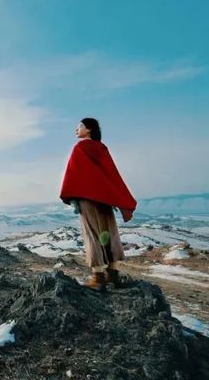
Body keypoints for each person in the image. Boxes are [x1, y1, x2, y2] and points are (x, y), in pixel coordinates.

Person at [59, 118, 137, 292]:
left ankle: (98, 278)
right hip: (105, 200)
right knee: (108, 233)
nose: (76, 129)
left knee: (92, 235)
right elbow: (110, 175)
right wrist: (114, 196)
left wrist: (73, 199)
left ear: (89, 129)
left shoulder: (80, 148)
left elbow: (74, 174)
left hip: (87, 199)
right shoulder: (102, 148)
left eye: (79, 126)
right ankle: (113, 275)